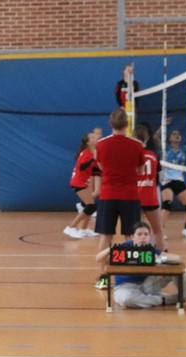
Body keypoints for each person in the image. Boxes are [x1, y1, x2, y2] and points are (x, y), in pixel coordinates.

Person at [93, 108, 146, 290]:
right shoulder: (137, 145)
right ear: (127, 124)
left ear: (110, 123)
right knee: (131, 236)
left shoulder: (101, 144)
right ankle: (131, 277)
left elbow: (101, 166)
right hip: (129, 195)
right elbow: (140, 170)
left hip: (108, 195)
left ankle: (103, 278)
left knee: (105, 236)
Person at [96, 221, 186, 308]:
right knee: (127, 299)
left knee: (175, 268)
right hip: (125, 287)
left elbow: (176, 258)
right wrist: (110, 249)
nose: (143, 237)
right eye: (139, 234)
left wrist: (160, 259)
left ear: (149, 237)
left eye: (146, 234)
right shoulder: (124, 247)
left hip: (146, 285)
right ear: (133, 237)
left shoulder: (150, 249)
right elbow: (98, 259)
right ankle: (165, 300)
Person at [133, 125, 166, 249]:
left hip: (135, 197)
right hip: (150, 197)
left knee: (135, 231)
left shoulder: (132, 155)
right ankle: (161, 255)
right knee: (158, 230)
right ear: (147, 139)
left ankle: (135, 255)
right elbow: (158, 175)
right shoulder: (153, 155)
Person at [64, 132, 99, 239]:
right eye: (92, 137)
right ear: (88, 142)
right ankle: (71, 227)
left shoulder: (92, 152)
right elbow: (82, 167)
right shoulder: (86, 153)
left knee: (89, 206)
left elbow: (94, 168)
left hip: (84, 182)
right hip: (78, 182)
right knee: (91, 206)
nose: (95, 138)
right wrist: (93, 159)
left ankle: (84, 230)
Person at [160, 129, 186, 239]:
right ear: (169, 138)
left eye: (178, 134)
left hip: (179, 181)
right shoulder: (165, 149)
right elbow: (156, 138)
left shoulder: (184, 149)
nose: (177, 135)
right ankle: (160, 231)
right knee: (167, 204)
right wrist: (163, 127)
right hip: (167, 181)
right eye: (174, 134)